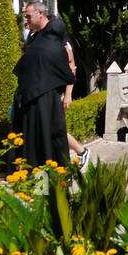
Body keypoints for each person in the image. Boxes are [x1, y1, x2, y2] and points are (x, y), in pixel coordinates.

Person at [13, 2, 75, 169]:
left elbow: (70, 65)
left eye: (28, 16)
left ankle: (52, 178)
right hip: (30, 95)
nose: (26, 20)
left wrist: (68, 94)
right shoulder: (35, 38)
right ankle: (35, 178)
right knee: (32, 140)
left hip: (46, 98)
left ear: (40, 13)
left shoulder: (56, 37)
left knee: (48, 138)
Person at [44, 16, 90, 171]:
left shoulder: (64, 45)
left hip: (57, 92)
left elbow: (72, 69)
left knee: (54, 127)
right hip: (47, 91)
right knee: (50, 127)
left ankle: (81, 151)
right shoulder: (43, 41)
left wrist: (68, 94)